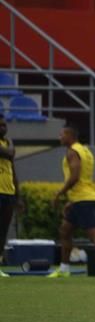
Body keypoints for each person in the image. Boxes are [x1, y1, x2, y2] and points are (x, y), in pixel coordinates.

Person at [47, 126, 95, 279]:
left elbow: (75, 176)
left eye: (62, 135)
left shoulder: (72, 152)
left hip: (82, 198)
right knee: (65, 231)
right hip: (81, 198)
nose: (59, 137)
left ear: (70, 135)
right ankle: (64, 268)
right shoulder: (85, 150)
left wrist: (59, 193)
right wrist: (71, 201)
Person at [0, 114, 22, 277]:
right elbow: (9, 153)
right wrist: (11, 147)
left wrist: (18, 196)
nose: (3, 128)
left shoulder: (6, 143)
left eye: (4, 125)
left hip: (8, 193)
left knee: (2, 231)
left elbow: (13, 171)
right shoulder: (7, 146)